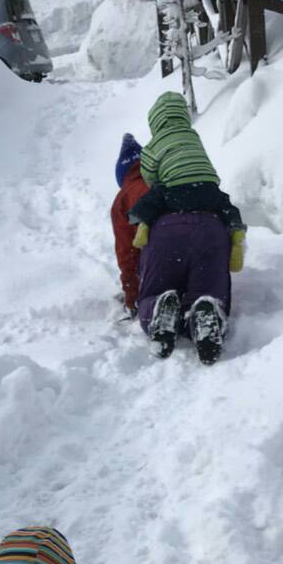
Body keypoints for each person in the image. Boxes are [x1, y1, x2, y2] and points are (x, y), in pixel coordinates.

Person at [128, 92, 247, 364]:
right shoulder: (193, 138)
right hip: (211, 227)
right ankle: (206, 310)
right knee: (209, 287)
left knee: (154, 289)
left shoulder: (153, 147)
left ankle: (158, 307)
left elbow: (149, 177)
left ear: (155, 122)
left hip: (167, 229)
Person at [110, 132, 149, 316]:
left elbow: (128, 253)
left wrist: (132, 296)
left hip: (158, 258)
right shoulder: (165, 179)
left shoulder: (123, 199)